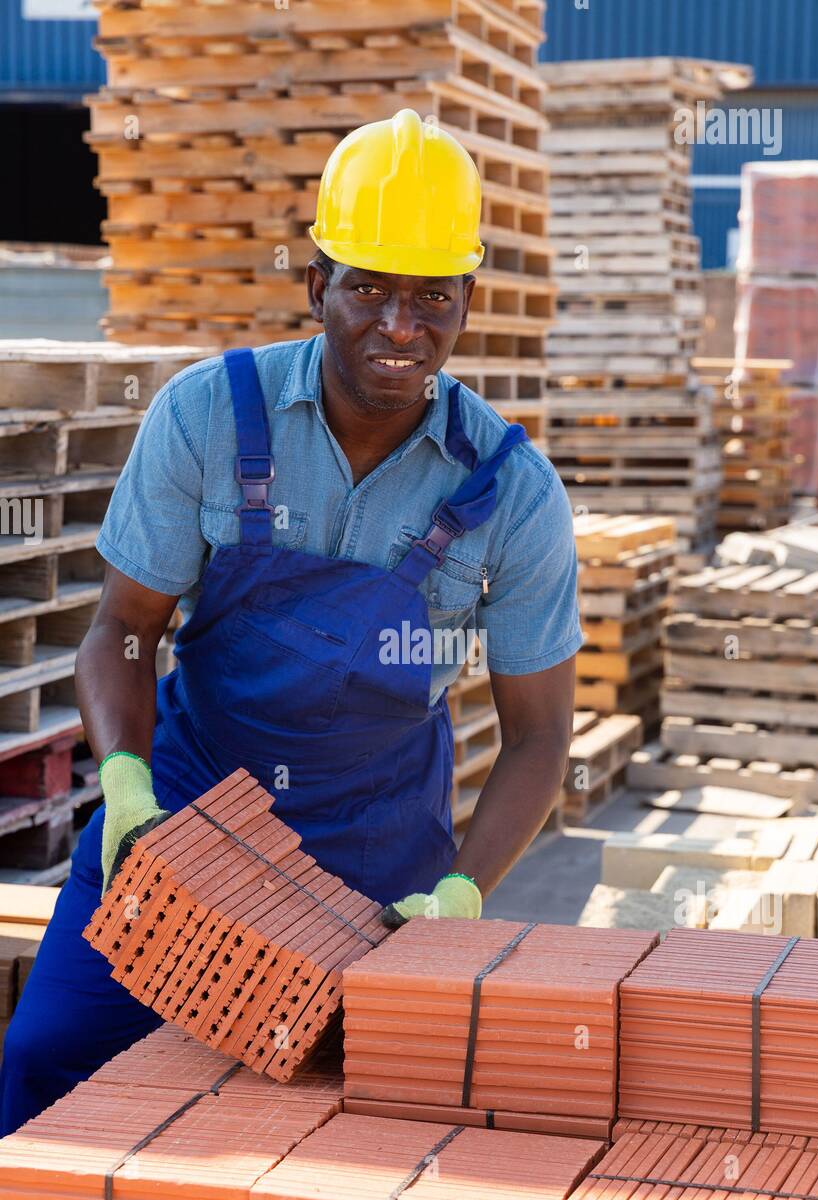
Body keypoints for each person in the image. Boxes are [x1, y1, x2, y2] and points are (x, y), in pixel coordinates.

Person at [0, 109, 581, 1136]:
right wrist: (125, 788)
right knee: (48, 1062)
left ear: (467, 303)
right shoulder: (207, 416)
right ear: (315, 284)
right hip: (177, 819)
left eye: (428, 298)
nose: (397, 327)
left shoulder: (512, 492)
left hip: (374, 859)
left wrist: (455, 896)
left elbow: (539, 737)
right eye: (366, 288)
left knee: (327, 1137)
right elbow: (124, 628)